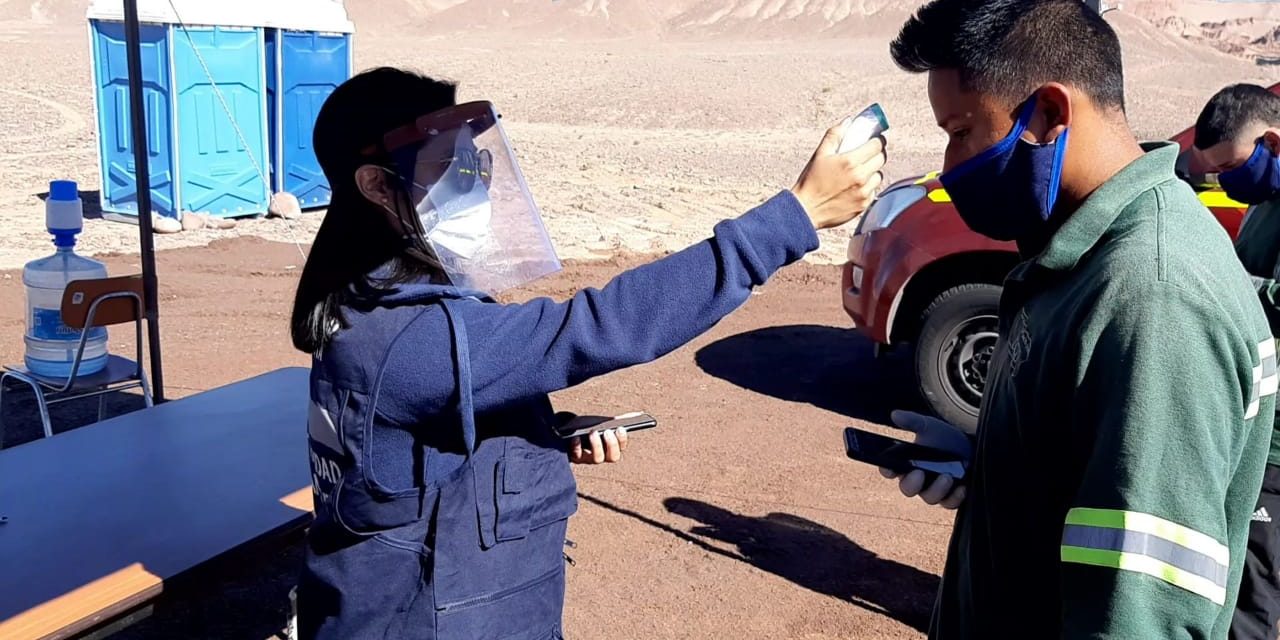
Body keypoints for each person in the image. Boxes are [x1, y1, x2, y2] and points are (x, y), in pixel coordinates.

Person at [290, 66, 886, 639]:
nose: (474, 183)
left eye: (476, 161)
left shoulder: (369, 302)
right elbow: (595, 328)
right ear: (375, 184)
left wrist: (538, 435)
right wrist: (793, 217)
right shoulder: (410, 336)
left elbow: (414, 455)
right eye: (449, 166)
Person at [877, 1, 1277, 637]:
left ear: (1051, 114)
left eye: (959, 131)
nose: (951, 168)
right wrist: (993, 467)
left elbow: (1140, 619)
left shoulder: (1152, 297)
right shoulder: (1093, 254)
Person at [1194, 83, 1280, 640]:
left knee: (1251, 594)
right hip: (1252, 418)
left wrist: (1231, 285)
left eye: (1232, 165)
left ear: (1272, 141)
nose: (1226, 182)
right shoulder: (1266, 202)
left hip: (1277, 445)